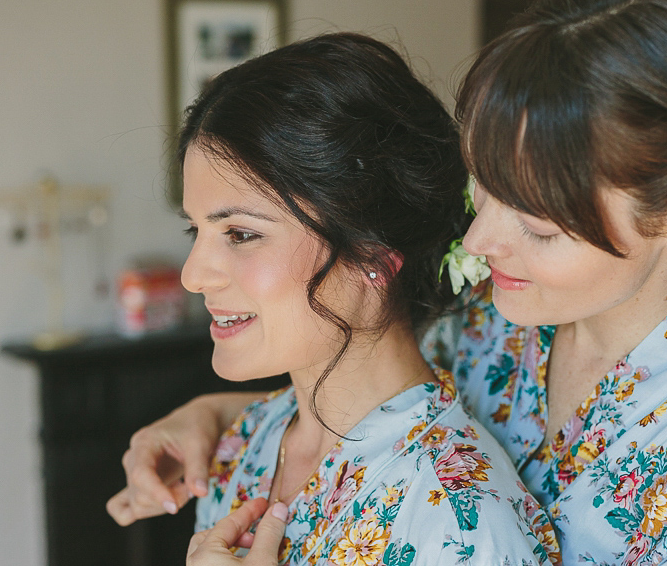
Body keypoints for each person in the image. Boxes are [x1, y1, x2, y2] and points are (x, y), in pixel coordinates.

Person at [110, 0, 667, 565]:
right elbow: (379, 422)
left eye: (538, 225)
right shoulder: (496, 324)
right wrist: (217, 418)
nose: (481, 242)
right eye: (481, 191)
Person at [145, 32, 559, 565]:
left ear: (373, 252)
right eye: (194, 233)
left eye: (241, 234)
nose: (193, 276)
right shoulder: (242, 446)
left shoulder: (461, 518)